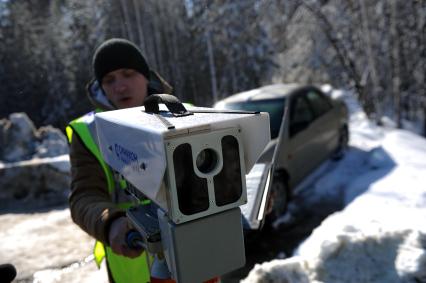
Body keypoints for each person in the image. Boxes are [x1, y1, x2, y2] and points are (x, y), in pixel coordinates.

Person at [66, 38, 172, 283]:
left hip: (193, 262)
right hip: (132, 268)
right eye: (109, 80)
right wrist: (111, 223)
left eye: (128, 74)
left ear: (146, 76)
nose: (120, 86)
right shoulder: (89, 132)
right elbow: (83, 197)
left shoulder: (187, 115)